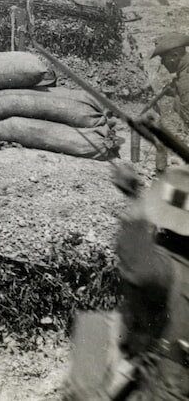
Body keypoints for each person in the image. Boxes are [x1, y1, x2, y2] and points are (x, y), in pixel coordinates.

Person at [69, 162, 189, 400]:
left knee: (95, 330)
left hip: (158, 388)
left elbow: (137, 261)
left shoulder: (168, 268)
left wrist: (134, 197)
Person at [151, 32, 189, 134]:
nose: (162, 63)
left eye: (163, 58)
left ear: (175, 56)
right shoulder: (184, 73)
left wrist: (177, 96)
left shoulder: (185, 80)